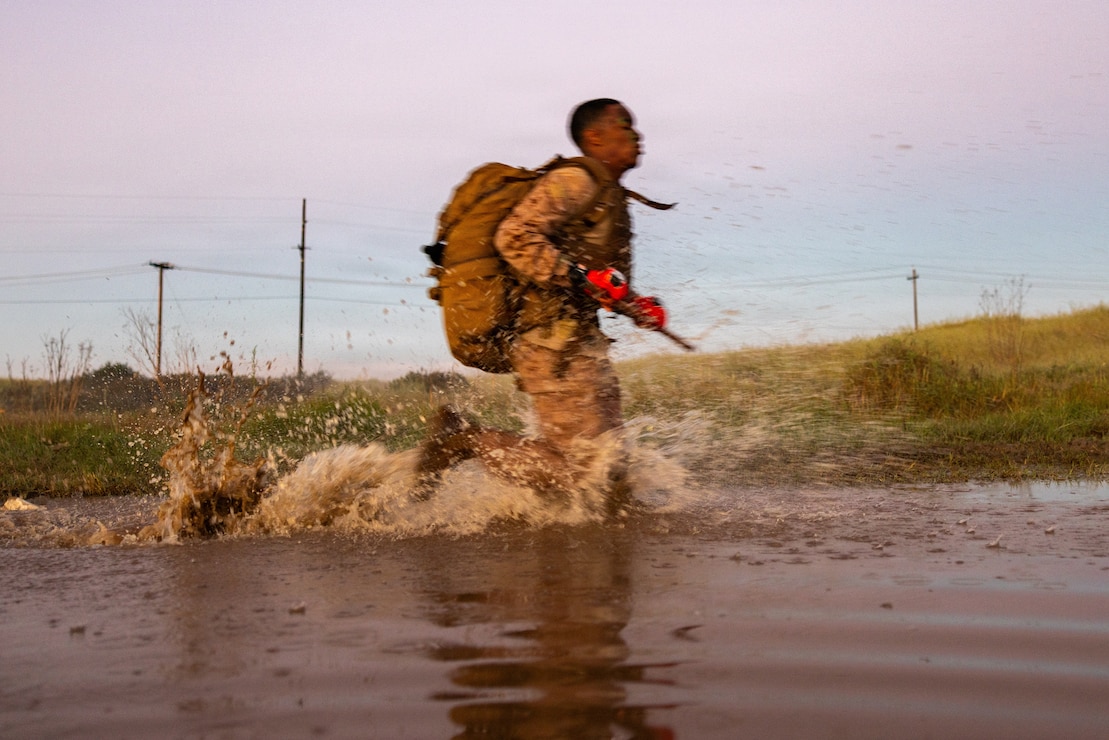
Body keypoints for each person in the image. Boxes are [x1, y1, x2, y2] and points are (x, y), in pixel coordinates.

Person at [418, 98, 663, 514]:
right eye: (625, 125)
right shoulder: (576, 181)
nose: (636, 134)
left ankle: (559, 537)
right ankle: (465, 441)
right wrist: (579, 277)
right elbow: (515, 236)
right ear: (594, 137)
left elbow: (606, 283)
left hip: (580, 340)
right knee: (579, 471)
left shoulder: (611, 195)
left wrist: (635, 306)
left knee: (610, 464)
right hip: (550, 343)